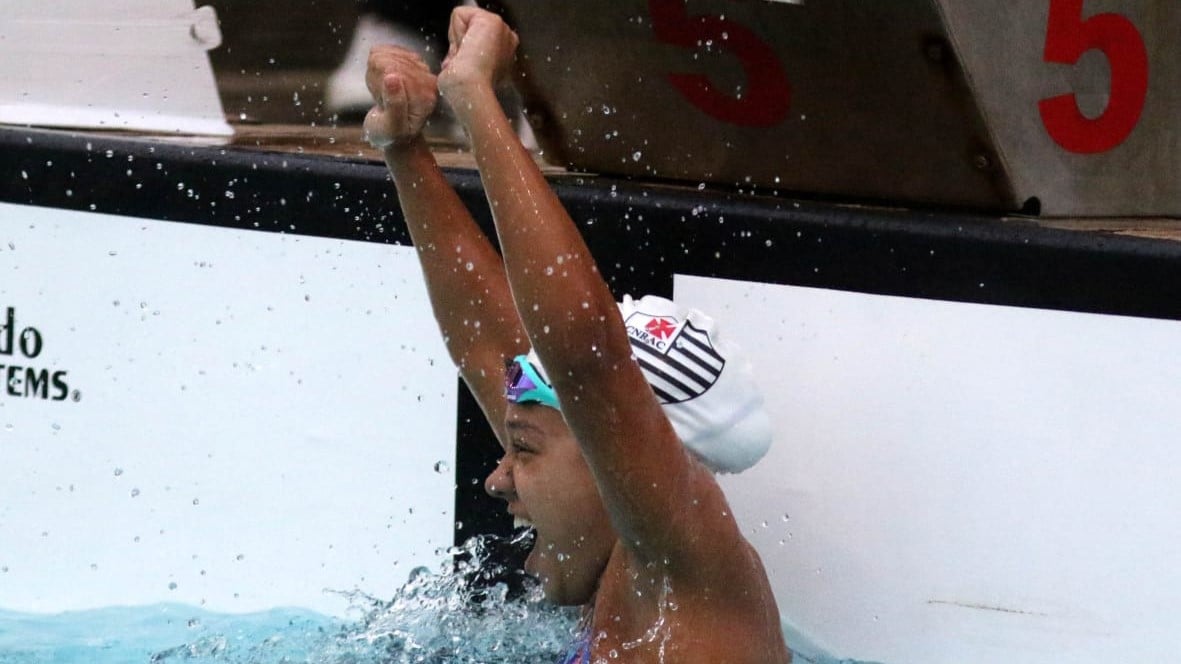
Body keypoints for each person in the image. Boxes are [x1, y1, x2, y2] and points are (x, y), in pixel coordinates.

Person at [362, 7, 791, 663]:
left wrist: (477, 101)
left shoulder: (687, 576)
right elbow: (485, 343)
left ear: (616, 449)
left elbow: (587, 359)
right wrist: (404, 148)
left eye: (524, 450)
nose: (497, 481)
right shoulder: (628, 594)